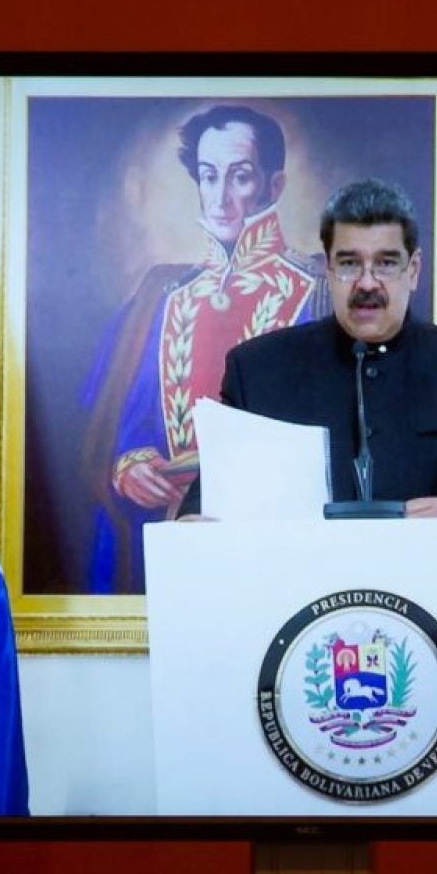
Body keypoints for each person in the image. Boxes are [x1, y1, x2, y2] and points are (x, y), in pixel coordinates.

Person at [181, 178, 437, 518]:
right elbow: (211, 497)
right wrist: (193, 522)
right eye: (350, 264)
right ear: (328, 269)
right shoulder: (258, 371)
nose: (367, 283)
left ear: (413, 271)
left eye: (386, 263)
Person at [80, 105, 327, 591]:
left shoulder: (316, 291)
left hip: (277, 544)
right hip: (169, 535)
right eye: (208, 176)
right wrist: (130, 465)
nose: (220, 198)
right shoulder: (162, 296)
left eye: (240, 177)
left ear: (273, 187)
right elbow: (122, 423)